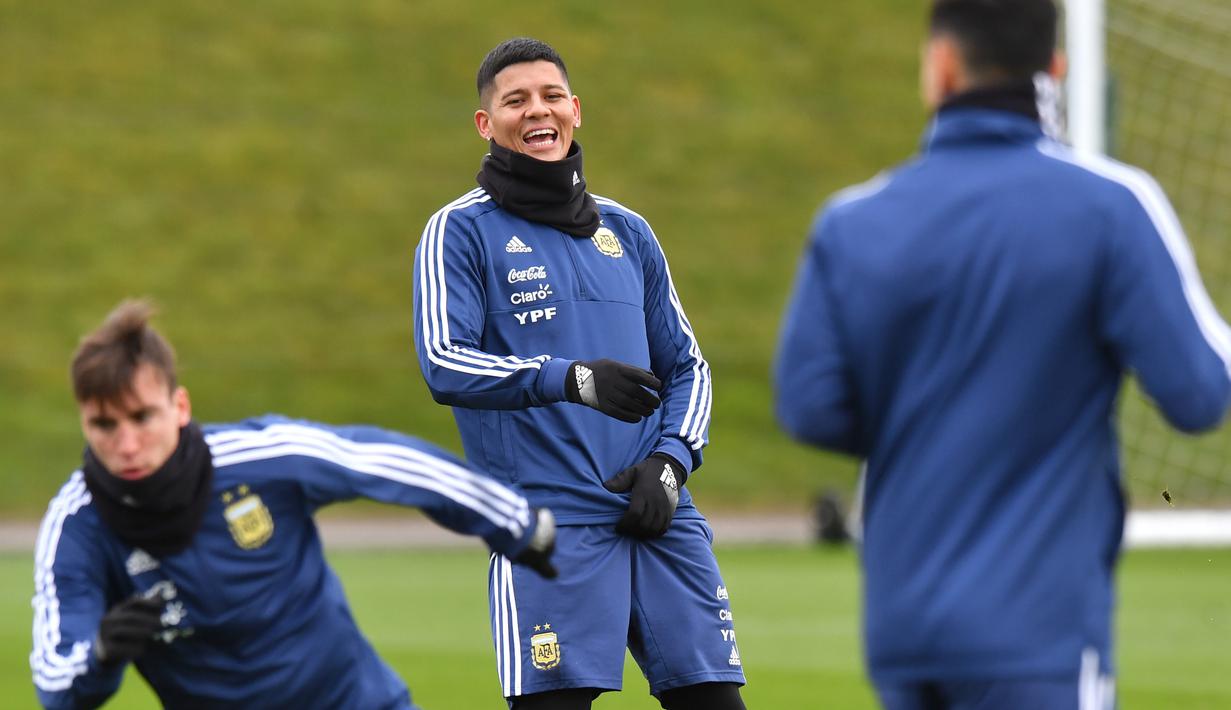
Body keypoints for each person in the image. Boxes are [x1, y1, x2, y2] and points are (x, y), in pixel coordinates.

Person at [773, 1, 1231, 708]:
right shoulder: (1110, 207)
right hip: (1036, 629)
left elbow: (808, 409)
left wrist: (932, 421)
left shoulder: (851, 220)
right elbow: (1198, 394)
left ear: (940, 66)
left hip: (902, 625)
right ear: (1055, 69)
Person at [412, 37, 745, 710]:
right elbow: (444, 363)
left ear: (575, 110)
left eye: (550, 96)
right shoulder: (458, 232)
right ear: (486, 123)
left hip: (655, 512)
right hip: (548, 522)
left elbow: (688, 367)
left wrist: (669, 465)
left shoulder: (629, 231)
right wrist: (571, 379)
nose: (537, 111)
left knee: (714, 703)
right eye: (515, 101)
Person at [31, 300, 558, 710]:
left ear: (180, 407)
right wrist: (99, 655)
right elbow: (55, 679)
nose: (125, 444)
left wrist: (512, 521)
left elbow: (386, 462)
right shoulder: (77, 525)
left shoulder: (261, 458)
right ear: (84, 422)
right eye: (104, 425)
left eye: (142, 417)